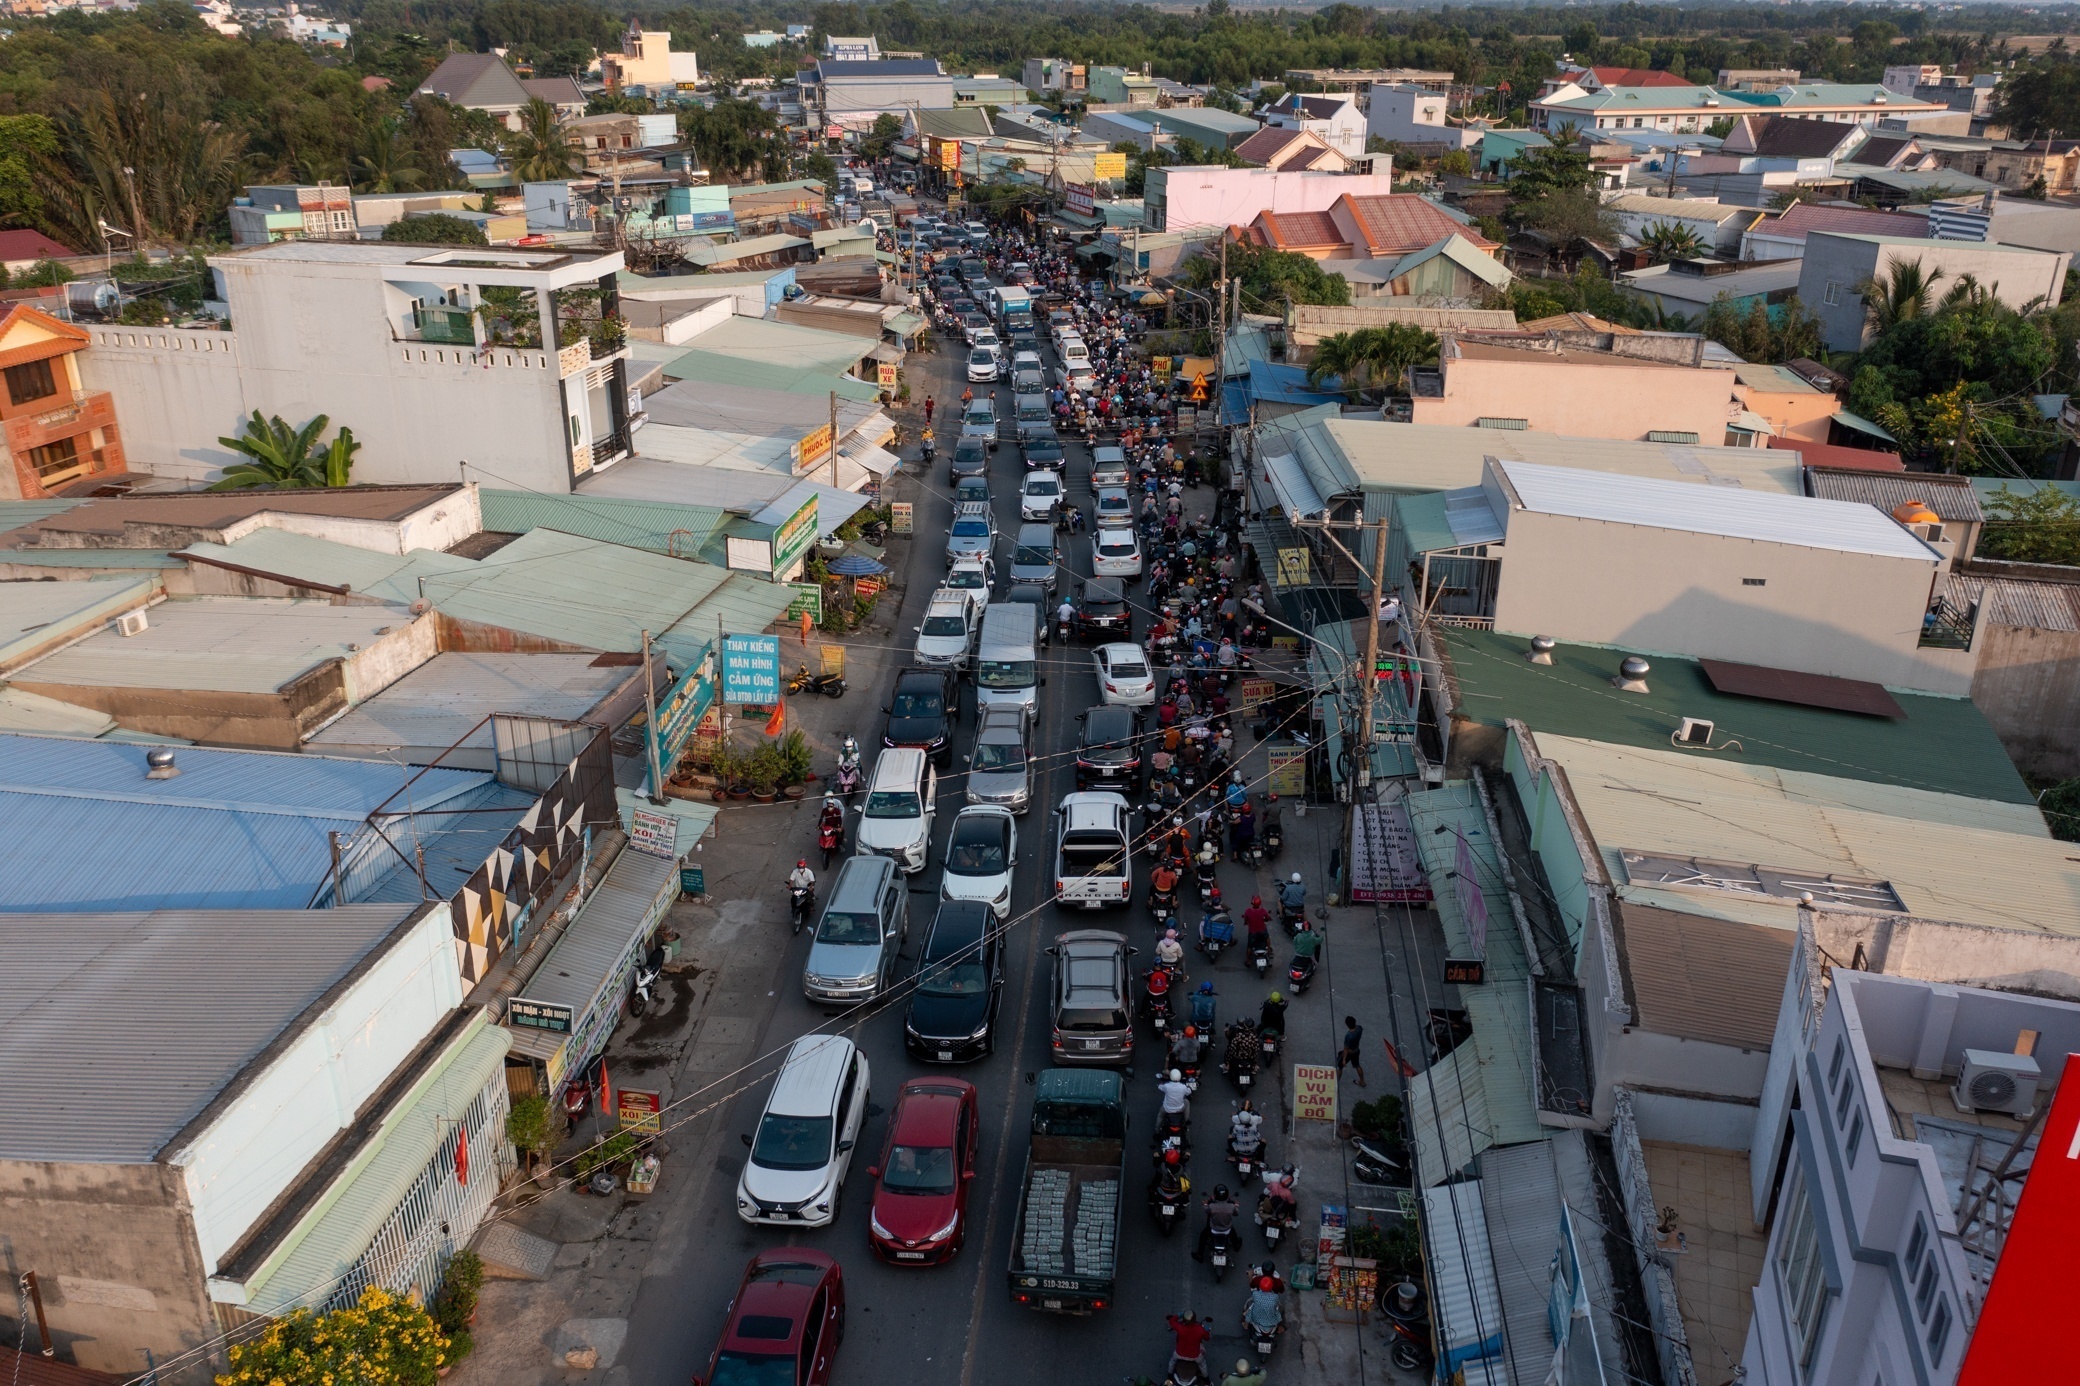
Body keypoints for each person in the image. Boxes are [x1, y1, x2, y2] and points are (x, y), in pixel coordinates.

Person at [1192, 1183, 1240, 1262]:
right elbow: (1236, 1213)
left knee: (1203, 1236)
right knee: (1233, 1233)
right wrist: (1237, 1205)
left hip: (1213, 1229)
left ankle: (1199, 1255)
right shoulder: (1231, 1207)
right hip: (1227, 1229)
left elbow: (1206, 1210)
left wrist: (1204, 1204)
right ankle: (1236, 1245)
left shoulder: (1212, 1207)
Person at [1167, 1311, 1213, 1377]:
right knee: (1203, 1365)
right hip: (1195, 1356)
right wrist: (1206, 1330)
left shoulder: (1180, 1328)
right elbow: (1207, 1338)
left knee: (1172, 1362)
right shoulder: (1200, 1329)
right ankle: (1207, 1380)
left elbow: (1171, 1321)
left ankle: (1169, 1375)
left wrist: (1180, 1315)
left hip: (1179, 1353)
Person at [1243, 1276, 1285, 1340]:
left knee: (1251, 1307)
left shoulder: (1255, 1294)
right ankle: (1281, 1327)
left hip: (1257, 1321)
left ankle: (1246, 1324)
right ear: (1271, 1286)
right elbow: (1276, 1309)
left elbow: (1252, 1307)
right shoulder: (1275, 1297)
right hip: (1272, 1322)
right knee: (1280, 1310)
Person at [1339, 1015, 1368, 1088]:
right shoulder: (1359, 1028)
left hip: (1349, 1053)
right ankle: (1362, 1081)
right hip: (1356, 1050)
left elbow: (1346, 1049)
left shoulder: (1348, 1036)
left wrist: (1344, 1059)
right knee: (1357, 1066)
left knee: (1339, 1067)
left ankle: (1336, 1083)